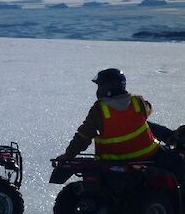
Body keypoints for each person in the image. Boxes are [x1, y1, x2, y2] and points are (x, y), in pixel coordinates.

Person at [56, 68, 185, 185]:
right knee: (179, 163)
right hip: (148, 155)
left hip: (110, 161)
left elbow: (83, 136)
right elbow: (148, 109)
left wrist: (68, 155)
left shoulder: (99, 109)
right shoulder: (137, 102)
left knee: (146, 126)